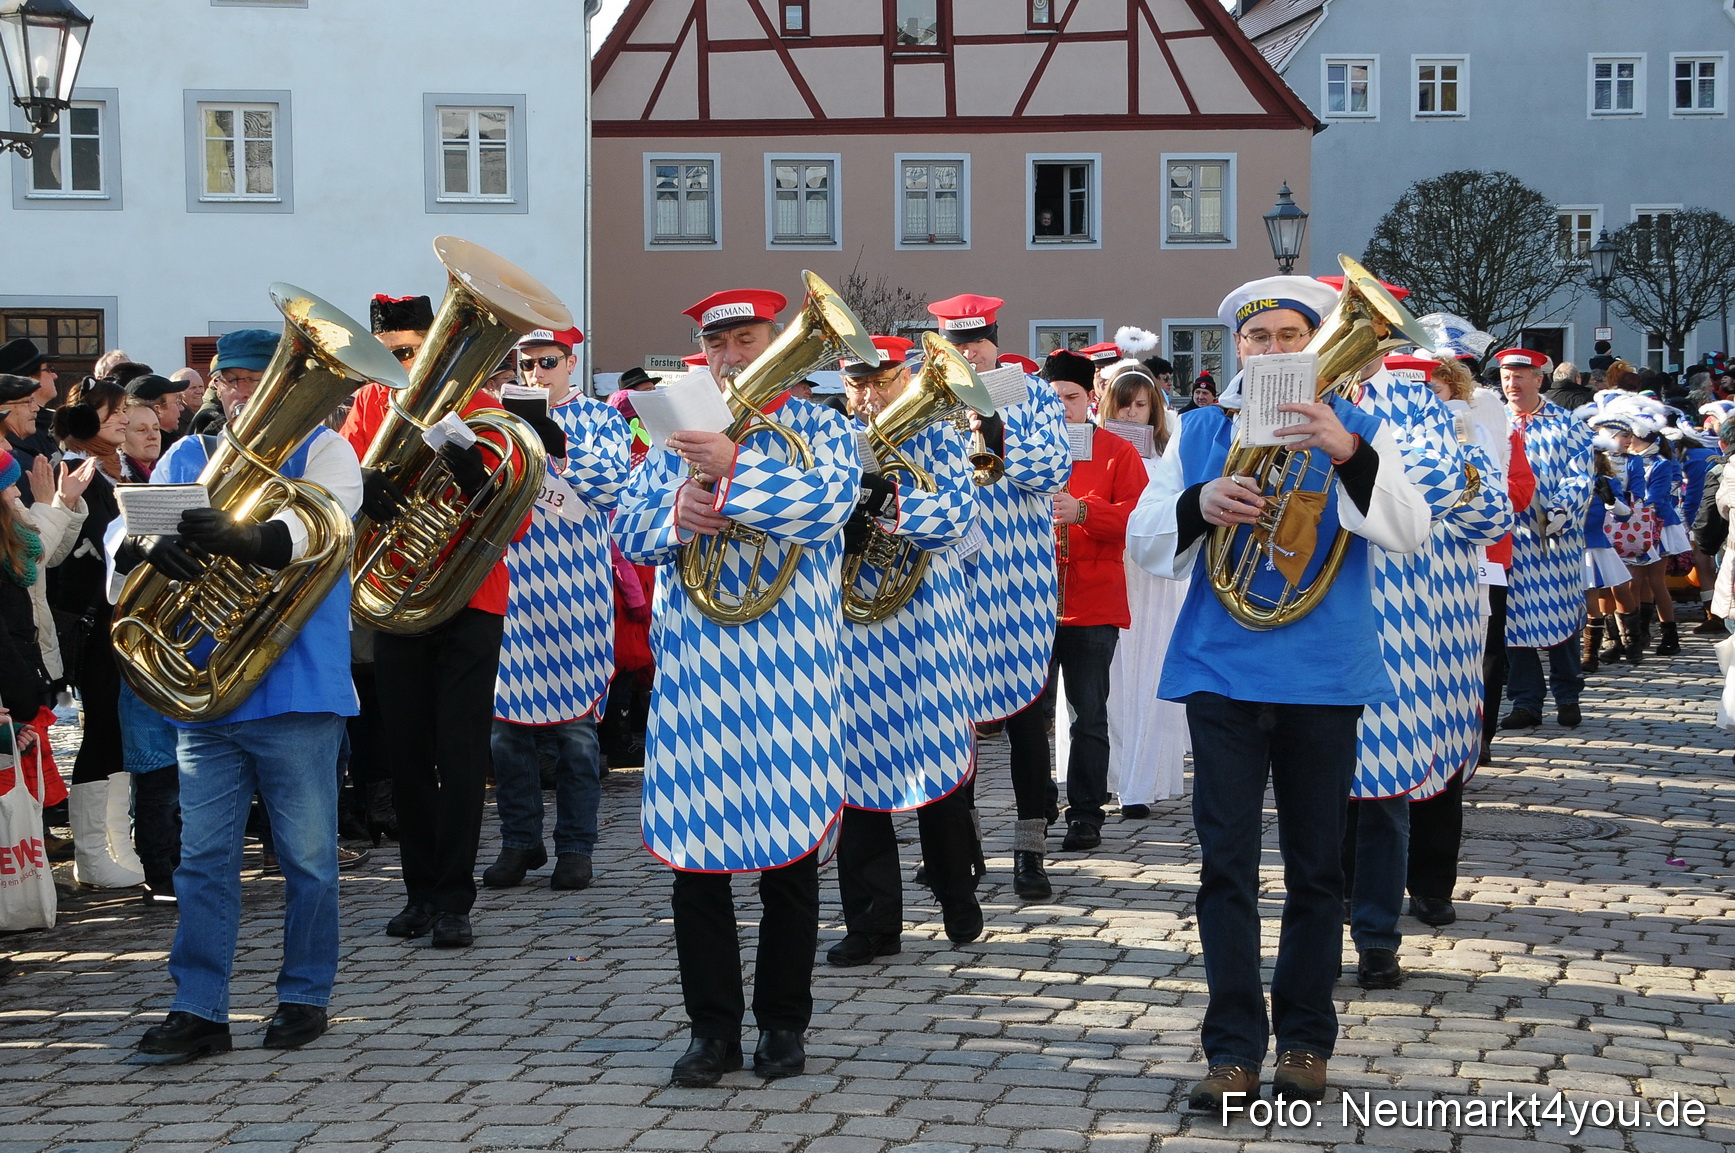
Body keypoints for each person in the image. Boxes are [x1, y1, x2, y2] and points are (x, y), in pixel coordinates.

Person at [1126, 275, 1432, 1109]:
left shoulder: (1361, 425)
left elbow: (1407, 530)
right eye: (1254, 339)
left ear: (1316, 342)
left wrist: (1343, 448)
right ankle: (1230, 1049)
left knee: (1315, 869)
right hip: (1220, 671)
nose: (1269, 350)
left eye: (1287, 335)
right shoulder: (1197, 431)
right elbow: (1147, 544)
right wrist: (1199, 502)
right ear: (1238, 351)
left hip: (1324, 675)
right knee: (1223, 867)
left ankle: (1304, 1040)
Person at [614, 286, 859, 1088]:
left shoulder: (822, 425)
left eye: (746, 339)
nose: (731, 356)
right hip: (696, 674)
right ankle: (710, 1028)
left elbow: (829, 509)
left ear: (774, 342)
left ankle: (784, 1024)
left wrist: (739, 468)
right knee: (697, 860)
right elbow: (628, 529)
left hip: (789, 670)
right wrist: (679, 509)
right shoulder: (676, 435)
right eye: (717, 344)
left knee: (790, 858)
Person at [121, 330, 366, 1063]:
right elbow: (127, 538)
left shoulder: (325, 448)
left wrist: (248, 535)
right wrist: (140, 547)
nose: (238, 391)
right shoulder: (187, 455)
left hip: (297, 685)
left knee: (309, 857)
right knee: (203, 861)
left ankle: (303, 995)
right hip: (207, 690)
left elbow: (326, 524)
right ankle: (199, 1008)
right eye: (228, 379)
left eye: (256, 379)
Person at [340, 294, 526, 949]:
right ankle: (420, 892)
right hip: (398, 598)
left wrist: (479, 478)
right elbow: (337, 493)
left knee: (459, 753)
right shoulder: (367, 405)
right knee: (407, 755)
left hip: (470, 599)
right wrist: (362, 485)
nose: (404, 367)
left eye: (413, 352)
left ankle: (455, 898)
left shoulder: (483, 409)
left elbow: (519, 521)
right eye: (390, 356)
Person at [1340, 351, 1510, 991]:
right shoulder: (1345, 431)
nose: (1415, 395)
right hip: (1355, 626)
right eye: (1399, 384)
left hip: (1438, 635)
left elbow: (1491, 518)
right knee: (1343, 792)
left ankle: (1388, 925)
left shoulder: (1460, 445)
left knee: (1408, 779)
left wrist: (1428, 440)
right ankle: (1339, 924)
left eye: (1424, 386)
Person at [826, 334, 981, 963]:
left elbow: (955, 521)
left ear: (906, 379)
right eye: (859, 384)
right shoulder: (832, 440)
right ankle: (871, 921)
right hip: (854, 628)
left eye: (883, 381)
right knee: (856, 777)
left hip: (925, 628)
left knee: (937, 765)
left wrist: (890, 500)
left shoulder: (940, 436)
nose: (870, 396)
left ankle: (955, 891)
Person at [925, 293, 1070, 901]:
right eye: (958, 343)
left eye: (978, 339)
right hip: (948, 580)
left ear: (994, 339)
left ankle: (1030, 850)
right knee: (950, 721)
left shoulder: (1031, 394)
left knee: (1025, 723)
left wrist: (996, 431)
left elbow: (1055, 469)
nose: (970, 351)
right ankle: (960, 853)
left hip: (1018, 582)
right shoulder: (928, 398)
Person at [485, 327, 629, 892]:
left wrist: (559, 449)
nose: (535, 373)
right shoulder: (498, 421)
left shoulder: (601, 419)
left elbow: (616, 484)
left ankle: (576, 846)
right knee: (506, 732)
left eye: (548, 362)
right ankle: (520, 842)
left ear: (572, 363)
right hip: (510, 590)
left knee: (575, 734)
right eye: (525, 363)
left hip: (576, 595)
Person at [1037, 349, 1148, 851]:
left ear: (1091, 398)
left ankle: (1085, 814)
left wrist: (1084, 511)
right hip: (1031, 601)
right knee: (1030, 718)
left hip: (1092, 599)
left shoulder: (1115, 451)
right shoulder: (1025, 449)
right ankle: (1035, 807)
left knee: (1088, 715)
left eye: (1071, 397)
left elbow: (1138, 520)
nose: (1061, 406)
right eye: (1052, 396)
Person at [47, 373, 144, 888]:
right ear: (88, 422)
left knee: (116, 731)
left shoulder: (110, 469)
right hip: (90, 624)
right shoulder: (75, 472)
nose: (125, 420)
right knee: (102, 730)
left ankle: (116, 845)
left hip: (112, 621)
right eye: (114, 414)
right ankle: (91, 853)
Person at [1096, 360, 1186, 816]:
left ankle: (1143, 779)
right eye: (1125, 405)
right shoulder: (1096, 449)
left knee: (1149, 673)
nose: (1132, 415)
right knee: (1110, 681)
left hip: (1154, 580)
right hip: (1112, 573)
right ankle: (1106, 774)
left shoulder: (1167, 459)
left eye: (1141, 405)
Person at [1497, 348, 1594, 731]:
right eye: (1506, 376)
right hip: (1510, 539)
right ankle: (1526, 702)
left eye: (1520, 376)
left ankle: (1568, 696)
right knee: (1514, 623)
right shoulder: (1492, 422)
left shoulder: (1567, 424)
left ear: (1540, 379)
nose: (1512, 383)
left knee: (1561, 618)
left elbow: (1580, 475)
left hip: (1555, 542)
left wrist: (1561, 512)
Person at [118, 399, 163, 482]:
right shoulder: (118, 478)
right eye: (142, 430)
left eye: (156, 428)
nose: (153, 436)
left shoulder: (166, 473)